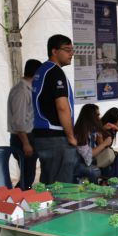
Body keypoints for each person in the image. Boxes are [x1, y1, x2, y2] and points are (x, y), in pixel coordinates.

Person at [32, 35, 77, 184]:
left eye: (72, 50)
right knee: (61, 186)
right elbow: (62, 107)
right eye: (67, 50)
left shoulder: (41, 70)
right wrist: (71, 136)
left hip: (42, 134)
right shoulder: (55, 72)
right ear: (54, 51)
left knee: (49, 183)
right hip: (55, 135)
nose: (71, 54)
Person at [7, 59, 40, 189]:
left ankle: (20, 197)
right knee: (27, 177)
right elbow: (18, 121)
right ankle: (16, 198)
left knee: (28, 175)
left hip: (28, 136)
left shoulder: (28, 89)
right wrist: (26, 143)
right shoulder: (21, 91)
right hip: (22, 138)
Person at [73, 104, 113, 183]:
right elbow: (88, 156)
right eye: (97, 115)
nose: (99, 118)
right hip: (78, 164)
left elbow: (101, 147)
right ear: (90, 117)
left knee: (108, 164)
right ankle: (95, 189)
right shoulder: (80, 132)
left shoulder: (91, 130)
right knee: (94, 171)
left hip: (87, 161)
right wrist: (104, 144)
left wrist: (103, 130)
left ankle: (105, 185)